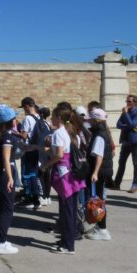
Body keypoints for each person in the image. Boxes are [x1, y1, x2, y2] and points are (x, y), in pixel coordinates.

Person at [42, 107, 86, 255]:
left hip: (64, 175)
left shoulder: (58, 133)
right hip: (72, 174)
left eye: (53, 117)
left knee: (67, 211)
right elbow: (63, 152)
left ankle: (68, 245)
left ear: (59, 118)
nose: (51, 119)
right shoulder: (71, 132)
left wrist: (45, 165)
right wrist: (43, 149)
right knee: (71, 210)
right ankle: (67, 240)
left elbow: (60, 155)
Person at [0, 104, 21, 255]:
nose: (16, 120)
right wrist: (10, 177)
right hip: (3, 174)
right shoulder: (7, 136)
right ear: (10, 121)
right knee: (6, 208)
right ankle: (1, 242)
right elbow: (6, 159)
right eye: (15, 118)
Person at [84, 108, 113, 241]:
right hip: (102, 171)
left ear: (96, 120)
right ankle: (99, 226)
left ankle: (102, 229)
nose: (89, 121)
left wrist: (95, 172)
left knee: (98, 201)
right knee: (99, 200)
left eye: (90, 119)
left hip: (99, 172)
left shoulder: (100, 135)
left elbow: (99, 155)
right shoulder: (102, 132)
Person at [112, 95, 137, 193]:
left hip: (136, 141)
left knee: (135, 163)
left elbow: (132, 124)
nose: (127, 103)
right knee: (121, 162)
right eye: (126, 101)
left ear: (135, 102)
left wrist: (126, 116)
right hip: (126, 141)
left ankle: (135, 185)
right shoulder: (125, 113)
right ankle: (116, 184)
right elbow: (118, 124)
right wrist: (129, 126)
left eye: (129, 102)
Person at [19, 97, 45, 209]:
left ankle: (31, 199)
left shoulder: (27, 119)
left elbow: (24, 136)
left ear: (27, 106)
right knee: (34, 175)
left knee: (27, 175)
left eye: (24, 107)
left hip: (28, 150)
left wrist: (15, 133)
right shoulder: (39, 117)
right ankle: (37, 198)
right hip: (38, 149)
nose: (24, 109)